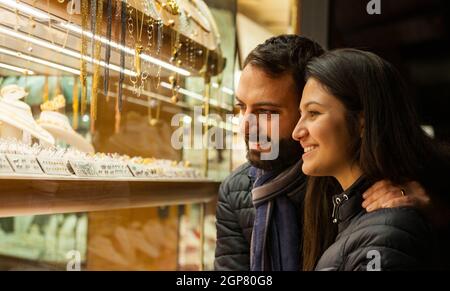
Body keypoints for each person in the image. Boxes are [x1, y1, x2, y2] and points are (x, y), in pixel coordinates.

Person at [214, 35, 430, 271]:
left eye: (266, 112)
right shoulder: (236, 189)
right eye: (241, 108)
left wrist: (428, 202)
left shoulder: (358, 180)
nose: (246, 126)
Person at [292, 48, 450, 270]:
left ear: (362, 123)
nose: (297, 132)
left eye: (314, 113)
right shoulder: (343, 212)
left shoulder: (385, 237)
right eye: (301, 114)